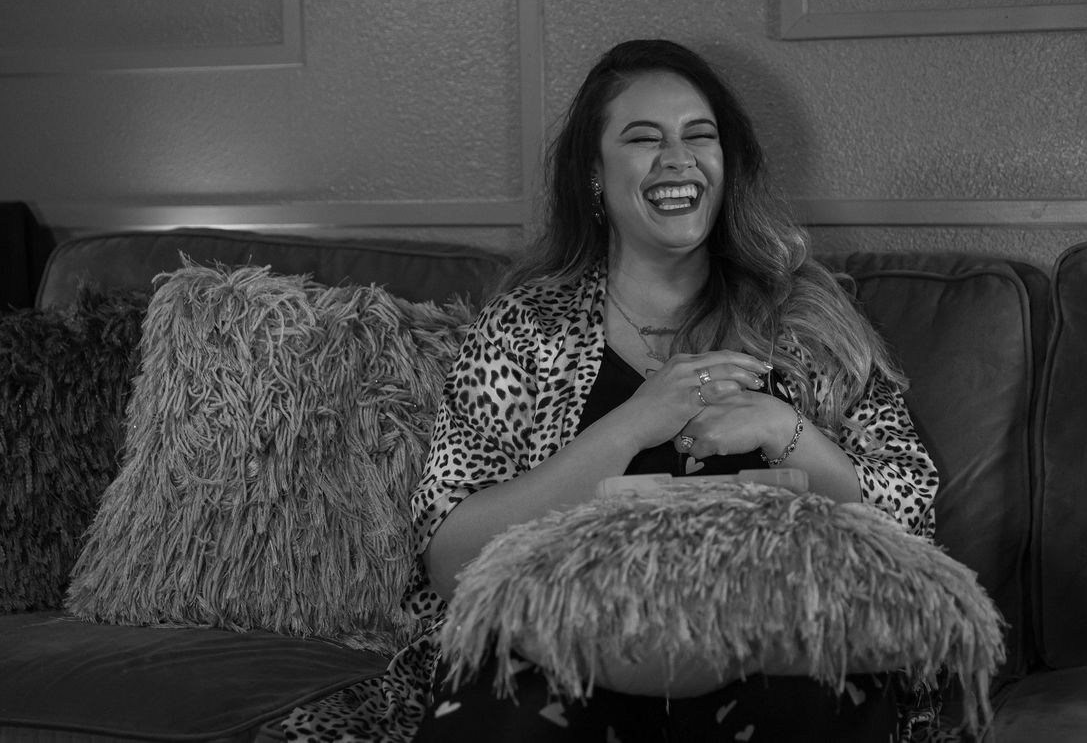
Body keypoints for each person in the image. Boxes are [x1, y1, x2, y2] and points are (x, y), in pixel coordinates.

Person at [283, 39, 940, 742]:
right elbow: (452, 562)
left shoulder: (807, 318)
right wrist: (629, 426)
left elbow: (911, 520)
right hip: (564, 647)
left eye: (699, 136)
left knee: (809, 707)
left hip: (777, 644)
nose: (678, 159)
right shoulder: (526, 326)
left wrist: (787, 431)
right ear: (595, 174)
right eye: (644, 138)